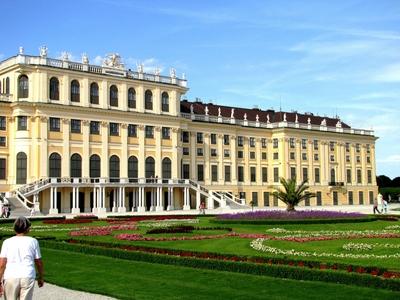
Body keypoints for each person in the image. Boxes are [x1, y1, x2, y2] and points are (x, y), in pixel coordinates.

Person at [0, 216, 44, 300]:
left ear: (14, 228)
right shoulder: (33, 241)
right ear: (27, 229)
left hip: (11, 276)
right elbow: (38, 262)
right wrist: (41, 277)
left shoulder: (7, 242)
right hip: (27, 275)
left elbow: (2, 264)